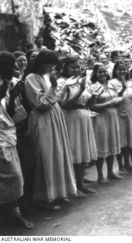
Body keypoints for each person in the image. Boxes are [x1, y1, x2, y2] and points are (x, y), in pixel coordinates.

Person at [24, 50, 77, 210]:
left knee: (58, 155)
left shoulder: (46, 77)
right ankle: (45, 198)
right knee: (47, 156)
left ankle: (60, 193)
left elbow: (55, 99)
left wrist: (62, 88)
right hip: (43, 121)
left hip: (55, 118)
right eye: (49, 66)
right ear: (41, 63)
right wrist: (54, 86)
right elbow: (41, 105)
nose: (51, 69)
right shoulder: (31, 78)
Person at [0, 51, 33, 229]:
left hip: (9, 135)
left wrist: (12, 96)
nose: (14, 68)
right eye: (11, 64)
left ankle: (15, 214)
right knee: (11, 176)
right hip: (2, 138)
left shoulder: (6, 83)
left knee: (16, 176)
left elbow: (9, 112)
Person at [57, 56, 97, 196]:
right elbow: (65, 104)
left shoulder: (81, 80)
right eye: (73, 67)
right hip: (71, 117)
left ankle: (81, 183)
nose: (76, 70)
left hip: (83, 116)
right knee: (74, 151)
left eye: (78, 67)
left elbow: (87, 102)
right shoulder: (63, 82)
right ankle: (73, 186)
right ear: (65, 68)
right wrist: (80, 90)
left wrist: (94, 96)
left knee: (82, 151)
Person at [90, 63, 123, 183]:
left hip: (113, 117)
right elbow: (92, 106)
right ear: (95, 74)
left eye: (104, 71)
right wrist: (109, 103)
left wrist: (117, 101)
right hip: (101, 118)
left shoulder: (111, 85)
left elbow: (116, 99)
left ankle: (110, 172)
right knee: (102, 145)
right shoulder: (94, 87)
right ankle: (100, 175)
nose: (103, 74)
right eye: (100, 72)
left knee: (112, 143)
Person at [109, 61, 132, 173]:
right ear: (115, 71)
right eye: (120, 69)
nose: (122, 72)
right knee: (121, 139)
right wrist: (122, 88)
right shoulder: (112, 83)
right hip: (119, 111)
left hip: (130, 110)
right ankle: (120, 165)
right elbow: (114, 100)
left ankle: (127, 162)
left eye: (124, 69)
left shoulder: (129, 83)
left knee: (129, 137)